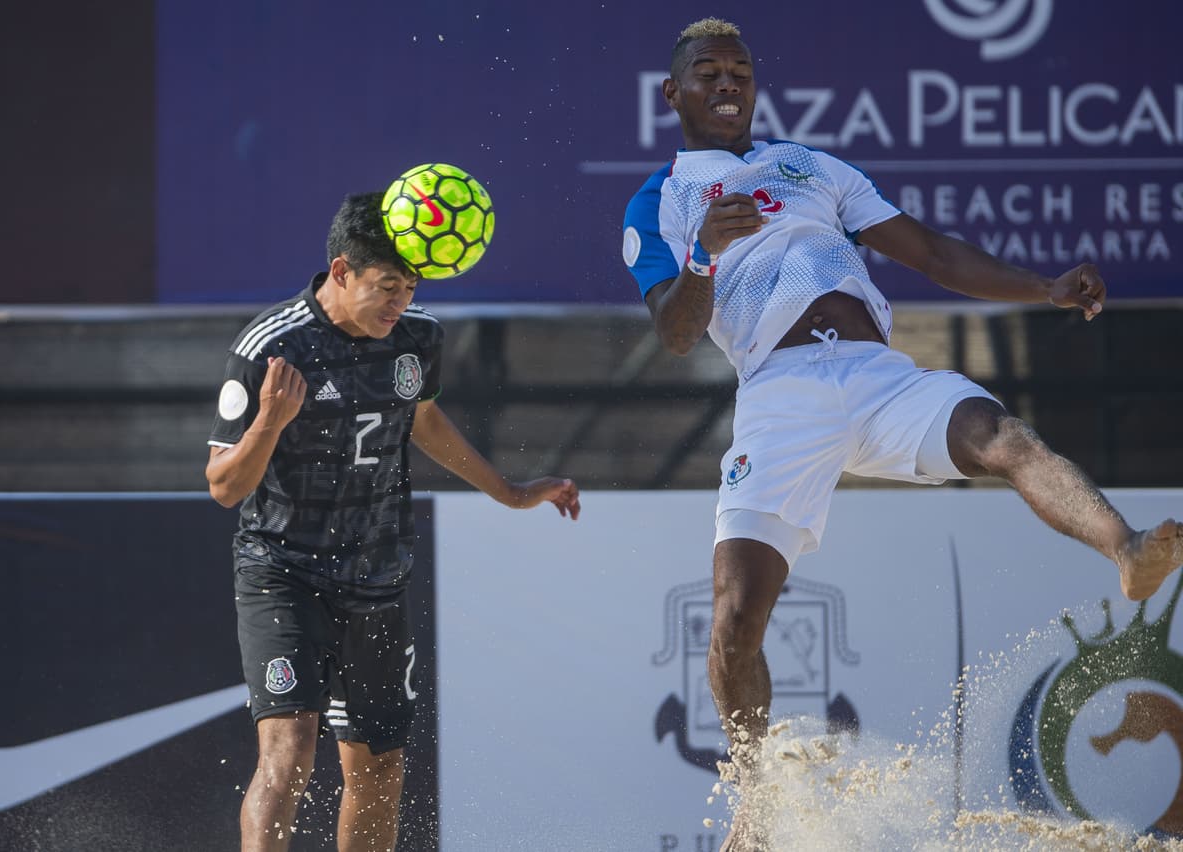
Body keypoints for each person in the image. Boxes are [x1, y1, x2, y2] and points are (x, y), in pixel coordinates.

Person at [622, 16, 1183, 849]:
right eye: (708, 73)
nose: (728, 84)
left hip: (876, 375)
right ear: (673, 94)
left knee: (1004, 436)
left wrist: (1046, 288)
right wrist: (705, 254)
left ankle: (1128, 549)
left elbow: (934, 255)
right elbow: (673, 334)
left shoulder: (811, 167)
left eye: (740, 70)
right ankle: (755, 796)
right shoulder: (658, 199)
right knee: (736, 620)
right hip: (777, 395)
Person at [205, 192, 581, 852]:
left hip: (376, 579)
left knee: (378, 768)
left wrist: (511, 493)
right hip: (282, 574)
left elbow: (424, 422)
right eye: (386, 286)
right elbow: (224, 487)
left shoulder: (417, 340)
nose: (398, 303)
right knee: (288, 752)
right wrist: (270, 419)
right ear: (342, 271)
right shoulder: (271, 347)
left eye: (409, 287)